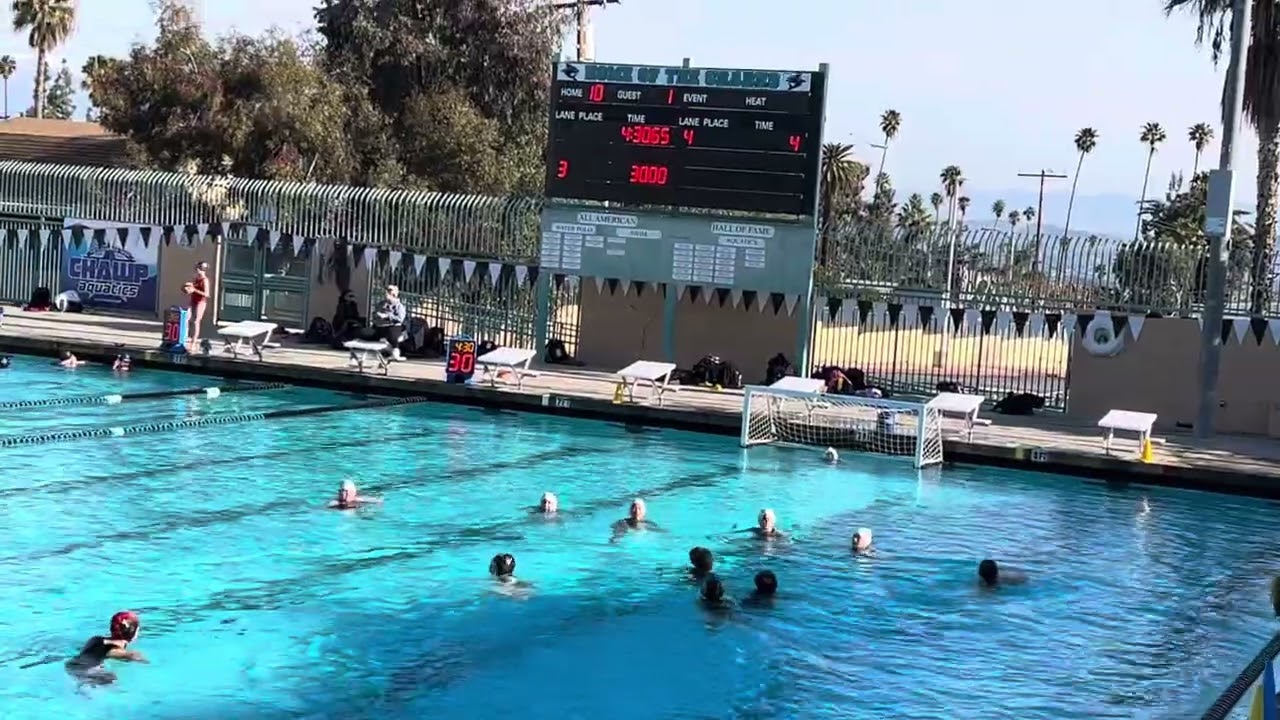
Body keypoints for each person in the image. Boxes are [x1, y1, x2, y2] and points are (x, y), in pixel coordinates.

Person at [65, 611, 147, 685]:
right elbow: (112, 651)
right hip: (86, 671)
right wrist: (137, 657)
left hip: (70, 666)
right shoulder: (115, 648)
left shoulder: (95, 639)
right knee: (111, 678)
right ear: (134, 632)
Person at [366, 285, 407, 361]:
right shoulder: (381, 304)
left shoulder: (399, 306)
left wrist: (387, 316)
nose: (387, 292)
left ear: (395, 293)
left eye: (390, 290)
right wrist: (377, 315)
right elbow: (374, 314)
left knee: (392, 333)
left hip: (392, 326)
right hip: (380, 326)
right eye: (387, 290)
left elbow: (400, 319)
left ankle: (395, 352)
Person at [186, 261, 210, 349]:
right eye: (196, 269)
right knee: (186, 318)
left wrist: (194, 290)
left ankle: (193, 342)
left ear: (202, 270)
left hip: (201, 302)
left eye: (199, 269)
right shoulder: (197, 278)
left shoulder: (205, 280)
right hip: (193, 300)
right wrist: (188, 287)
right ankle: (184, 338)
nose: (197, 270)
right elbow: (193, 288)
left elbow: (207, 294)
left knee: (196, 321)